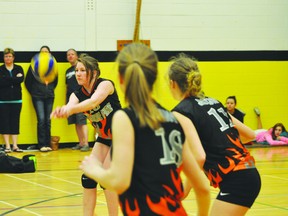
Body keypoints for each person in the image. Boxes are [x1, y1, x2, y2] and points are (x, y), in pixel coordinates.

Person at [79, 43, 210, 216]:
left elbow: (120, 181)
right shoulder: (173, 119)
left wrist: (94, 169)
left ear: (120, 79)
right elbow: (203, 189)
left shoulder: (124, 118)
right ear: (155, 78)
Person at [168, 53, 261, 216]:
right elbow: (249, 135)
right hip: (249, 173)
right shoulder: (214, 102)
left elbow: (199, 157)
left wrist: (185, 189)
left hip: (236, 180)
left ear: (172, 83)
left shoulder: (180, 112)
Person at [51, 53, 121, 216]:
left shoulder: (105, 85)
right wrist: (65, 110)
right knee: (88, 178)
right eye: (77, 70)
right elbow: (72, 104)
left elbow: (93, 102)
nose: (78, 74)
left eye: (82, 70)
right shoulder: (77, 94)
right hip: (104, 138)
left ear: (94, 73)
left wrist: (70, 110)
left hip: (122, 137)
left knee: (106, 177)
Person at [25, 45, 58, 152]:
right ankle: (41, 145)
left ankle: (48, 144)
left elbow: (55, 81)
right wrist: (34, 92)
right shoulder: (34, 66)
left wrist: (50, 89)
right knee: (41, 120)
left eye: (46, 52)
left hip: (49, 96)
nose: (44, 53)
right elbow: (27, 82)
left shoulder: (53, 66)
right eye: (42, 52)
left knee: (48, 121)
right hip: (37, 97)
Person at [0, 48, 24, 153]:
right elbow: (1, 82)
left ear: (13, 57)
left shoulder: (19, 68)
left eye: (10, 56)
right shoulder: (1, 69)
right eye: (6, 56)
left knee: (15, 122)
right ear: (3, 58)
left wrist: (7, 79)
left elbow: (20, 80)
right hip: (3, 101)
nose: (8, 58)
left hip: (17, 100)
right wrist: (14, 79)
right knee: (5, 122)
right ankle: (7, 146)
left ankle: (15, 145)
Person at [65, 49, 89, 151]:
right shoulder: (67, 71)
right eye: (68, 55)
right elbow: (67, 86)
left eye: (72, 54)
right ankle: (81, 143)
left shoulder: (81, 68)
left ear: (76, 56)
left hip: (81, 100)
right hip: (71, 100)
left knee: (82, 121)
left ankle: (86, 143)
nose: (70, 56)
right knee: (76, 122)